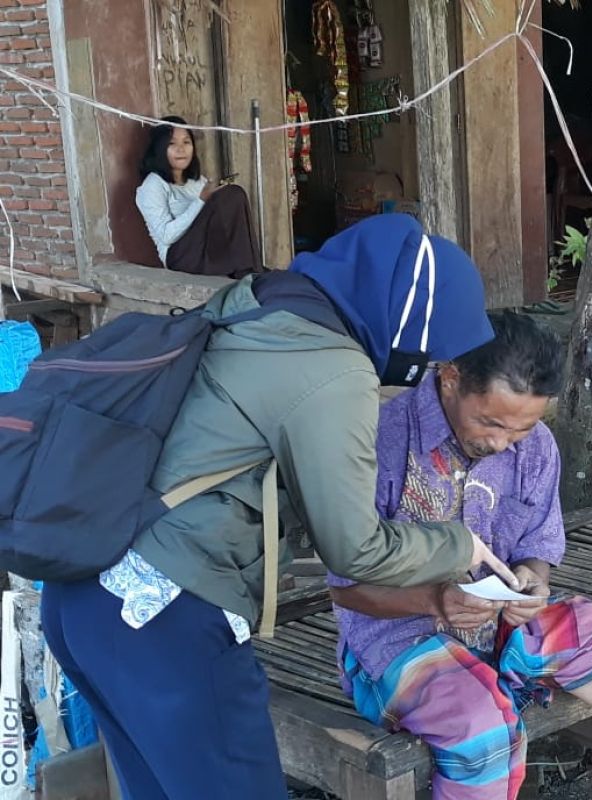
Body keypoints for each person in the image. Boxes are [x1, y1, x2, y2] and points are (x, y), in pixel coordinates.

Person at [40, 214, 513, 800]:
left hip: (85, 597)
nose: (427, 368)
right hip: (166, 615)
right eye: (433, 348)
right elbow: (354, 546)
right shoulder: (335, 368)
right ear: (408, 316)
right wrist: (459, 543)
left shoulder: (257, 303)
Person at [328, 312, 592, 800]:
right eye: (490, 422)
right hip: (396, 638)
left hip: (501, 621)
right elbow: (345, 587)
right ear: (450, 378)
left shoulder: (537, 447)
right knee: (487, 734)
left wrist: (533, 580)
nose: (502, 443)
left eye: (520, 431)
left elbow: (536, 548)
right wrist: (435, 602)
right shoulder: (381, 442)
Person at [135, 116, 261, 278]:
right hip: (180, 257)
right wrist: (201, 200)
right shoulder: (153, 185)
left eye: (186, 142)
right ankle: (244, 270)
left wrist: (212, 198)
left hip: (205, 250)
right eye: (172, 144)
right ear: (160, 148)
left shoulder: (196, 181)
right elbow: (166, 236)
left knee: (234, 194)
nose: (181, 149)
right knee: (230, 196)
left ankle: (248, 268)